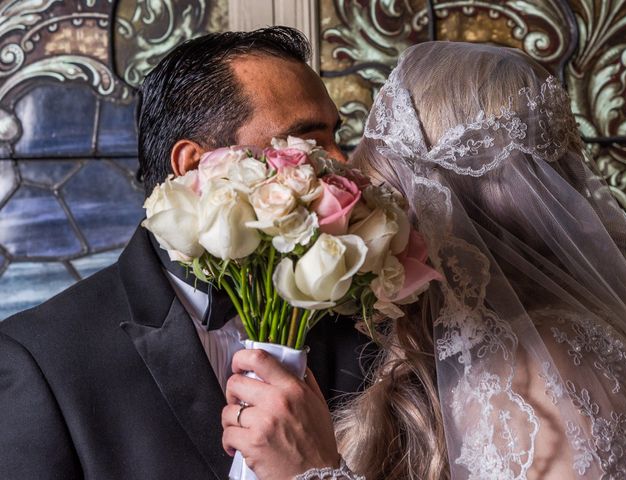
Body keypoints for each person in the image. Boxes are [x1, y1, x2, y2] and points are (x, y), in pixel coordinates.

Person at [223, 41, 626, 479]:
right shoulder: (468, 342)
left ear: (436, 202)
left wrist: (310, 471)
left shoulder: (555, 372)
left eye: (386, 204)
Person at [0, 27, 370, 479]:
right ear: (197, 167)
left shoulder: (362, 324)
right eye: (309, 141)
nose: (342, 162)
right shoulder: (40, 359)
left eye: (337, 135)